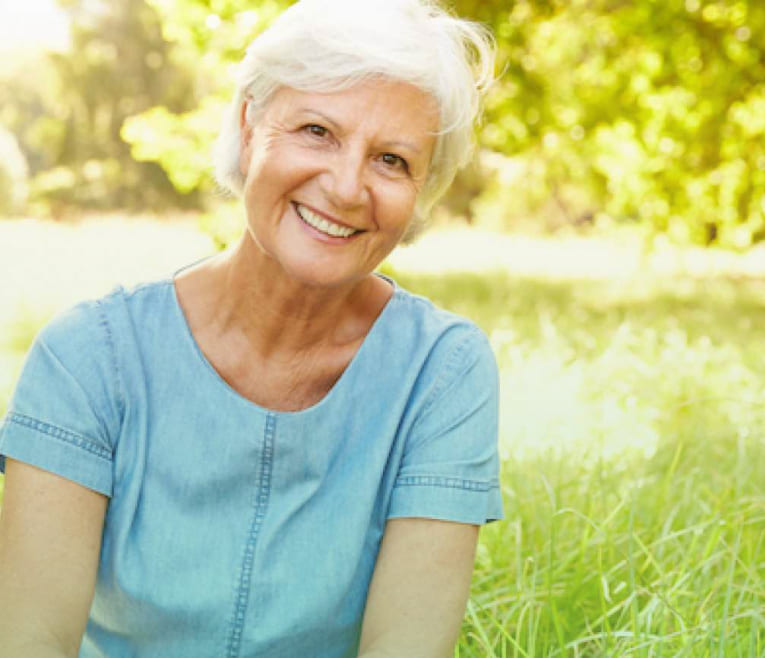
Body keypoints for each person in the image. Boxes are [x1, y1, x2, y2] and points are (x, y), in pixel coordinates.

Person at [0, 1, 502, 656]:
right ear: (248, 123)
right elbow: (30, 643)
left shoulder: (442, 373)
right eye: (318, 131)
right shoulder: (88, 357)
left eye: (391, 160)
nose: (347, 187)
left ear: (421, 191)